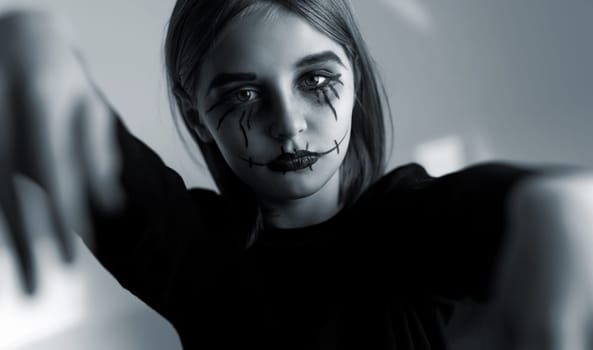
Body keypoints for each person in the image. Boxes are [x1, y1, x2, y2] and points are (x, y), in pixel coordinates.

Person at [1, 1, 593, 349]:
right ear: (195, 117)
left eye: (315, 82)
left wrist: (554, 210)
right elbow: (77, 133)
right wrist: (30, 37)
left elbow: (537, 205)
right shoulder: (194, 253)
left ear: (355, 78)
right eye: (242, 94)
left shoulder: (412, 223)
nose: (288, 127)